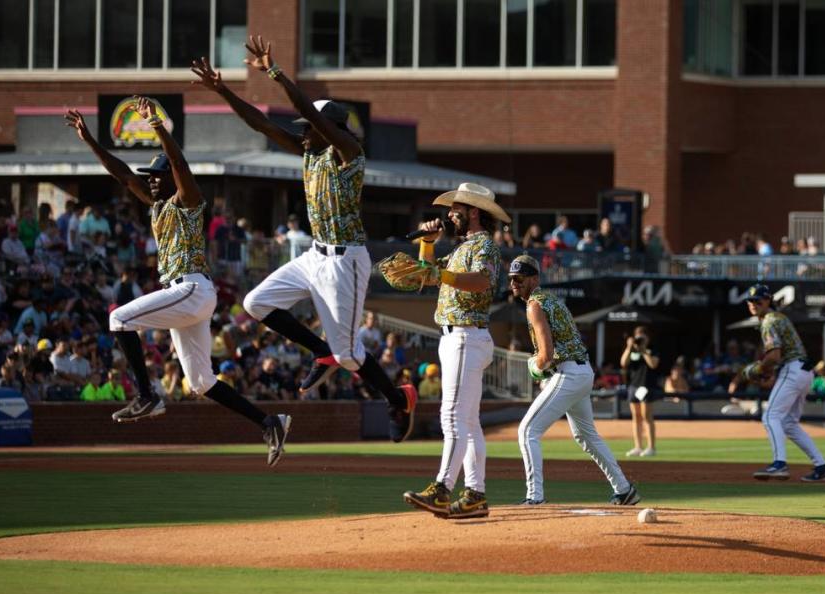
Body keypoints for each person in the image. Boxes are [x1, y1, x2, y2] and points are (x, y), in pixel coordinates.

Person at [191, 42, 416, 440]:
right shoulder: (311, 152)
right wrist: (223, 91)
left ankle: (397, 397)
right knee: (255, 302)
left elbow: (311, 115)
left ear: (328, 129)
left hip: (345, 262)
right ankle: (319, 349)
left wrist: (275, 72)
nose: (303, 134)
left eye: (309, 129)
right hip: (314, 256)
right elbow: (262, 125)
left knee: (350, 355)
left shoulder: (349, 151)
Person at [64, 97, 290, 466]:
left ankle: (147, 395)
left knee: (118, 318)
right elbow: (122, 174)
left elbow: (180, 164)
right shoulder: (157, 206)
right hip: (189, 297)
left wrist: (158, 128)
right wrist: (89, 139)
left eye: (157, 174)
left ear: (172, 176)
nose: (151, 180)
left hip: (190, 288)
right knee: (200, 382)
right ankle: (269, 423)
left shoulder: (189, 200)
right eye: (150, 176)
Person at [402, 182, 506, 519]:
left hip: (466, 337)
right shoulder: (463, 247)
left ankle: (442, 489)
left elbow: (481, 281)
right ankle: (475, 494)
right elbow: (429, 276)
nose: (449, 214)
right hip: (458, 338)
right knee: (470, 423)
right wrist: (427, 245)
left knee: (453, 418)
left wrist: (440, 273)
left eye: (455, 209)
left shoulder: (484, 246)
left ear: (473, 212)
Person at [507, 255, 640, 507]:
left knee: (527, 431)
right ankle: (624, 489)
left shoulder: (535, 303)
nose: (514, 283)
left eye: (519, 278)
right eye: (512, 279)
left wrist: (535, 367)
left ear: (534, 279)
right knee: (586, 436)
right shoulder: (551, 299)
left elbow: (545, 355)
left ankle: (535, 497)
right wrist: (545, 366)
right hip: (582, 372)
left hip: (569, 373)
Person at [728, 284, 825, 482]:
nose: (753, 304)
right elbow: (777, 358)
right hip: (803, 371)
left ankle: (779, 464)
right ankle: (822, 466)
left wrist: (752, 371)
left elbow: (774, 356)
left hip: (793, 369)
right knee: (788, 422)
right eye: (750, 301)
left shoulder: (769, 320)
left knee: (771, 416)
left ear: (768, 300)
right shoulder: (779, 318)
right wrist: (766, 371)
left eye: (758, 300)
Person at [621, 325, 660, 457]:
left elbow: (653, 364)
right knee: (636, 417)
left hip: (646, 385)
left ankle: (651, 447)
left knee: (646, 416)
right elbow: (623, 363)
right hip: (633, 385)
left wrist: (644, 350)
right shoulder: (632, 350)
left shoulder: (652, 349)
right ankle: (638, 446)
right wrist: (629, 347)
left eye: (642, 337)